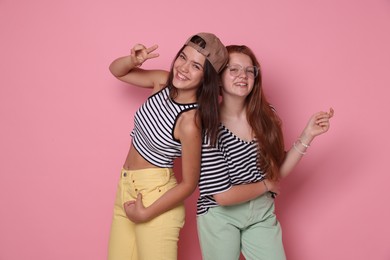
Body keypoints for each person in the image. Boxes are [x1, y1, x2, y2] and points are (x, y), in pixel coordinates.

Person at [196, 45, 334, 260]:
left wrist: (308, 135)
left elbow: (275, 172)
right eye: (234, 69)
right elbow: (222, 196)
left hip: (261, 211)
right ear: (218, 77)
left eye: (249, 70)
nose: (243, 76)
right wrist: (266, 185)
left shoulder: (267, 116)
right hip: (219, 216)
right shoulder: (208, 125)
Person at [107, 32, 228, 260]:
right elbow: (116, 71)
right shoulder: (162, 82)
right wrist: (133, 60)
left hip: (156, 197)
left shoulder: (189, 121)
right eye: (183, 57)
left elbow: (189, 184)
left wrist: (146, 214)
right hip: (125, 188)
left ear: (207, 78)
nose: (183, 68)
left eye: (196, 66)